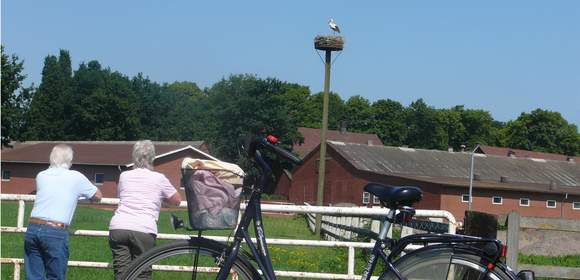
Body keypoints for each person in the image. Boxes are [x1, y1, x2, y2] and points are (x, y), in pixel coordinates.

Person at [25, 144, 102, 280]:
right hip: (55, 231)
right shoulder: (76, 177)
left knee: (34, 277)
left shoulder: (41, 175)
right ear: (69, 160)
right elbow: (98, 196)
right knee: (56, 276)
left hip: (32, 227)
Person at [108, 140, 182, 279]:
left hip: (119, 227)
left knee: (121, 273)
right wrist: (160, 199)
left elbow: (122, 195)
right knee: (142, 273)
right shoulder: (159, 178)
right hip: (144, 228)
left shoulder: (124, 176)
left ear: (134, 157)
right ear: (152, 157)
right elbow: (176, 200)